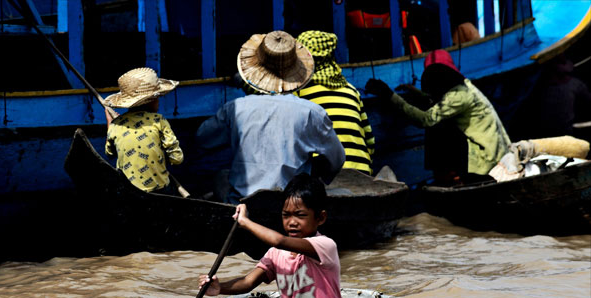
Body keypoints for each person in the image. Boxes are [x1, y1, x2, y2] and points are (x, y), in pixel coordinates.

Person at [196, 31, 345, 204]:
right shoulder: (311, 112)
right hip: (292, 204)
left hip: (243, 204)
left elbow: (203, 139)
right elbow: (337, 160)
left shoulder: (235, 108)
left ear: (255, 70)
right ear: (295, 70)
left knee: (221, 176)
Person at [198, 173, 343, 298]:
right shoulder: (276, 253)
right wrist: (220, 287)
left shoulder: (325, 246)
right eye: (286, 215)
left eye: (300, 215)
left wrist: (245, 222)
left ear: (321, 218)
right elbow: (248, 282)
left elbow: (279, 240)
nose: (292, 222)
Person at [365, 49, 511, 185]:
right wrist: (415, 92)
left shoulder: (459, 96)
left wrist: (389, 95)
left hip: (486, 160)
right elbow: (440, 102)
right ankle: (448, 176)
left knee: (436, 125)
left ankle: (448, 177)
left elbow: (425, 119)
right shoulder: (464, 87)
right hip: (494, 154)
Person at [295, 30, 376, 175]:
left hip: (326, 176)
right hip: (362, 172)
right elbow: (370, 142)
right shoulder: (352, 91)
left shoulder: (299, 93)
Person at [103, 67, 184, 195]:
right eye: (157, 98)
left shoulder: (116, 125)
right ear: (151, 100)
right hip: (159, 189)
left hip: (128, 191)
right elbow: (177, 158)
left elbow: (109, 153)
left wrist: (110, 125)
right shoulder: (158, 120)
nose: (158, 102)